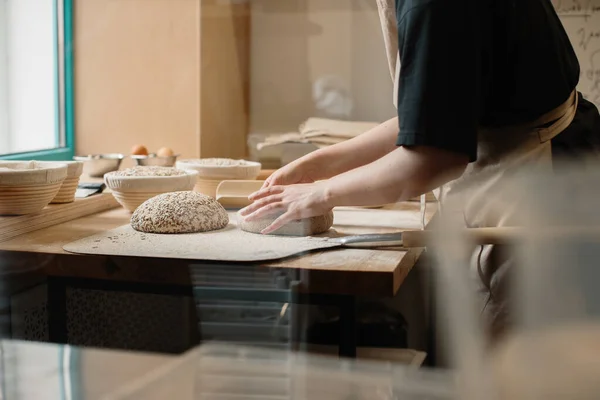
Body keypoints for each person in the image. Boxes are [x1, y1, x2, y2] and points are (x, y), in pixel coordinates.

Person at [240, 0, 600, 341]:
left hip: (540, 184)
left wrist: (322, 192)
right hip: (523, 165)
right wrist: (321, 162)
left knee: (525, 363)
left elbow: (431, 158)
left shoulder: (436, 5)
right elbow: (437, 115)